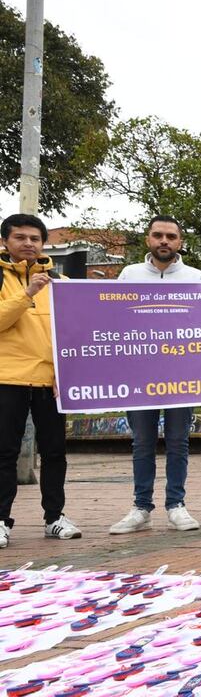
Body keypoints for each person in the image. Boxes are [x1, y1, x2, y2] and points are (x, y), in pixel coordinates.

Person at [110, 216, 201, 535]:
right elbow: (111, 321)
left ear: (180, 242)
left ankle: (176, 505)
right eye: (158, 235)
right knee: (142, 443)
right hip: (139, 377)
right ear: (147, 239)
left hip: (183, 377)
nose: (164, 241)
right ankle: (141, 507)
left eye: (171, 236)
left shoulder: (196, 277)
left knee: (178, 442)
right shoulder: (129, 275)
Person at [0, 214, 80, 548]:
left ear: (43, 243)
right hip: (8, 379)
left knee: (55, 453)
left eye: (35, 238)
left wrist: (70, 373)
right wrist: (27, 293)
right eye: (20, 237)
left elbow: (74, 332)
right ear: (5, 241)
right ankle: (2, 520)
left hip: (51, 383)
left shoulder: (59, 282)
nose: (28, 244)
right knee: (4, 453)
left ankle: (55, 517)